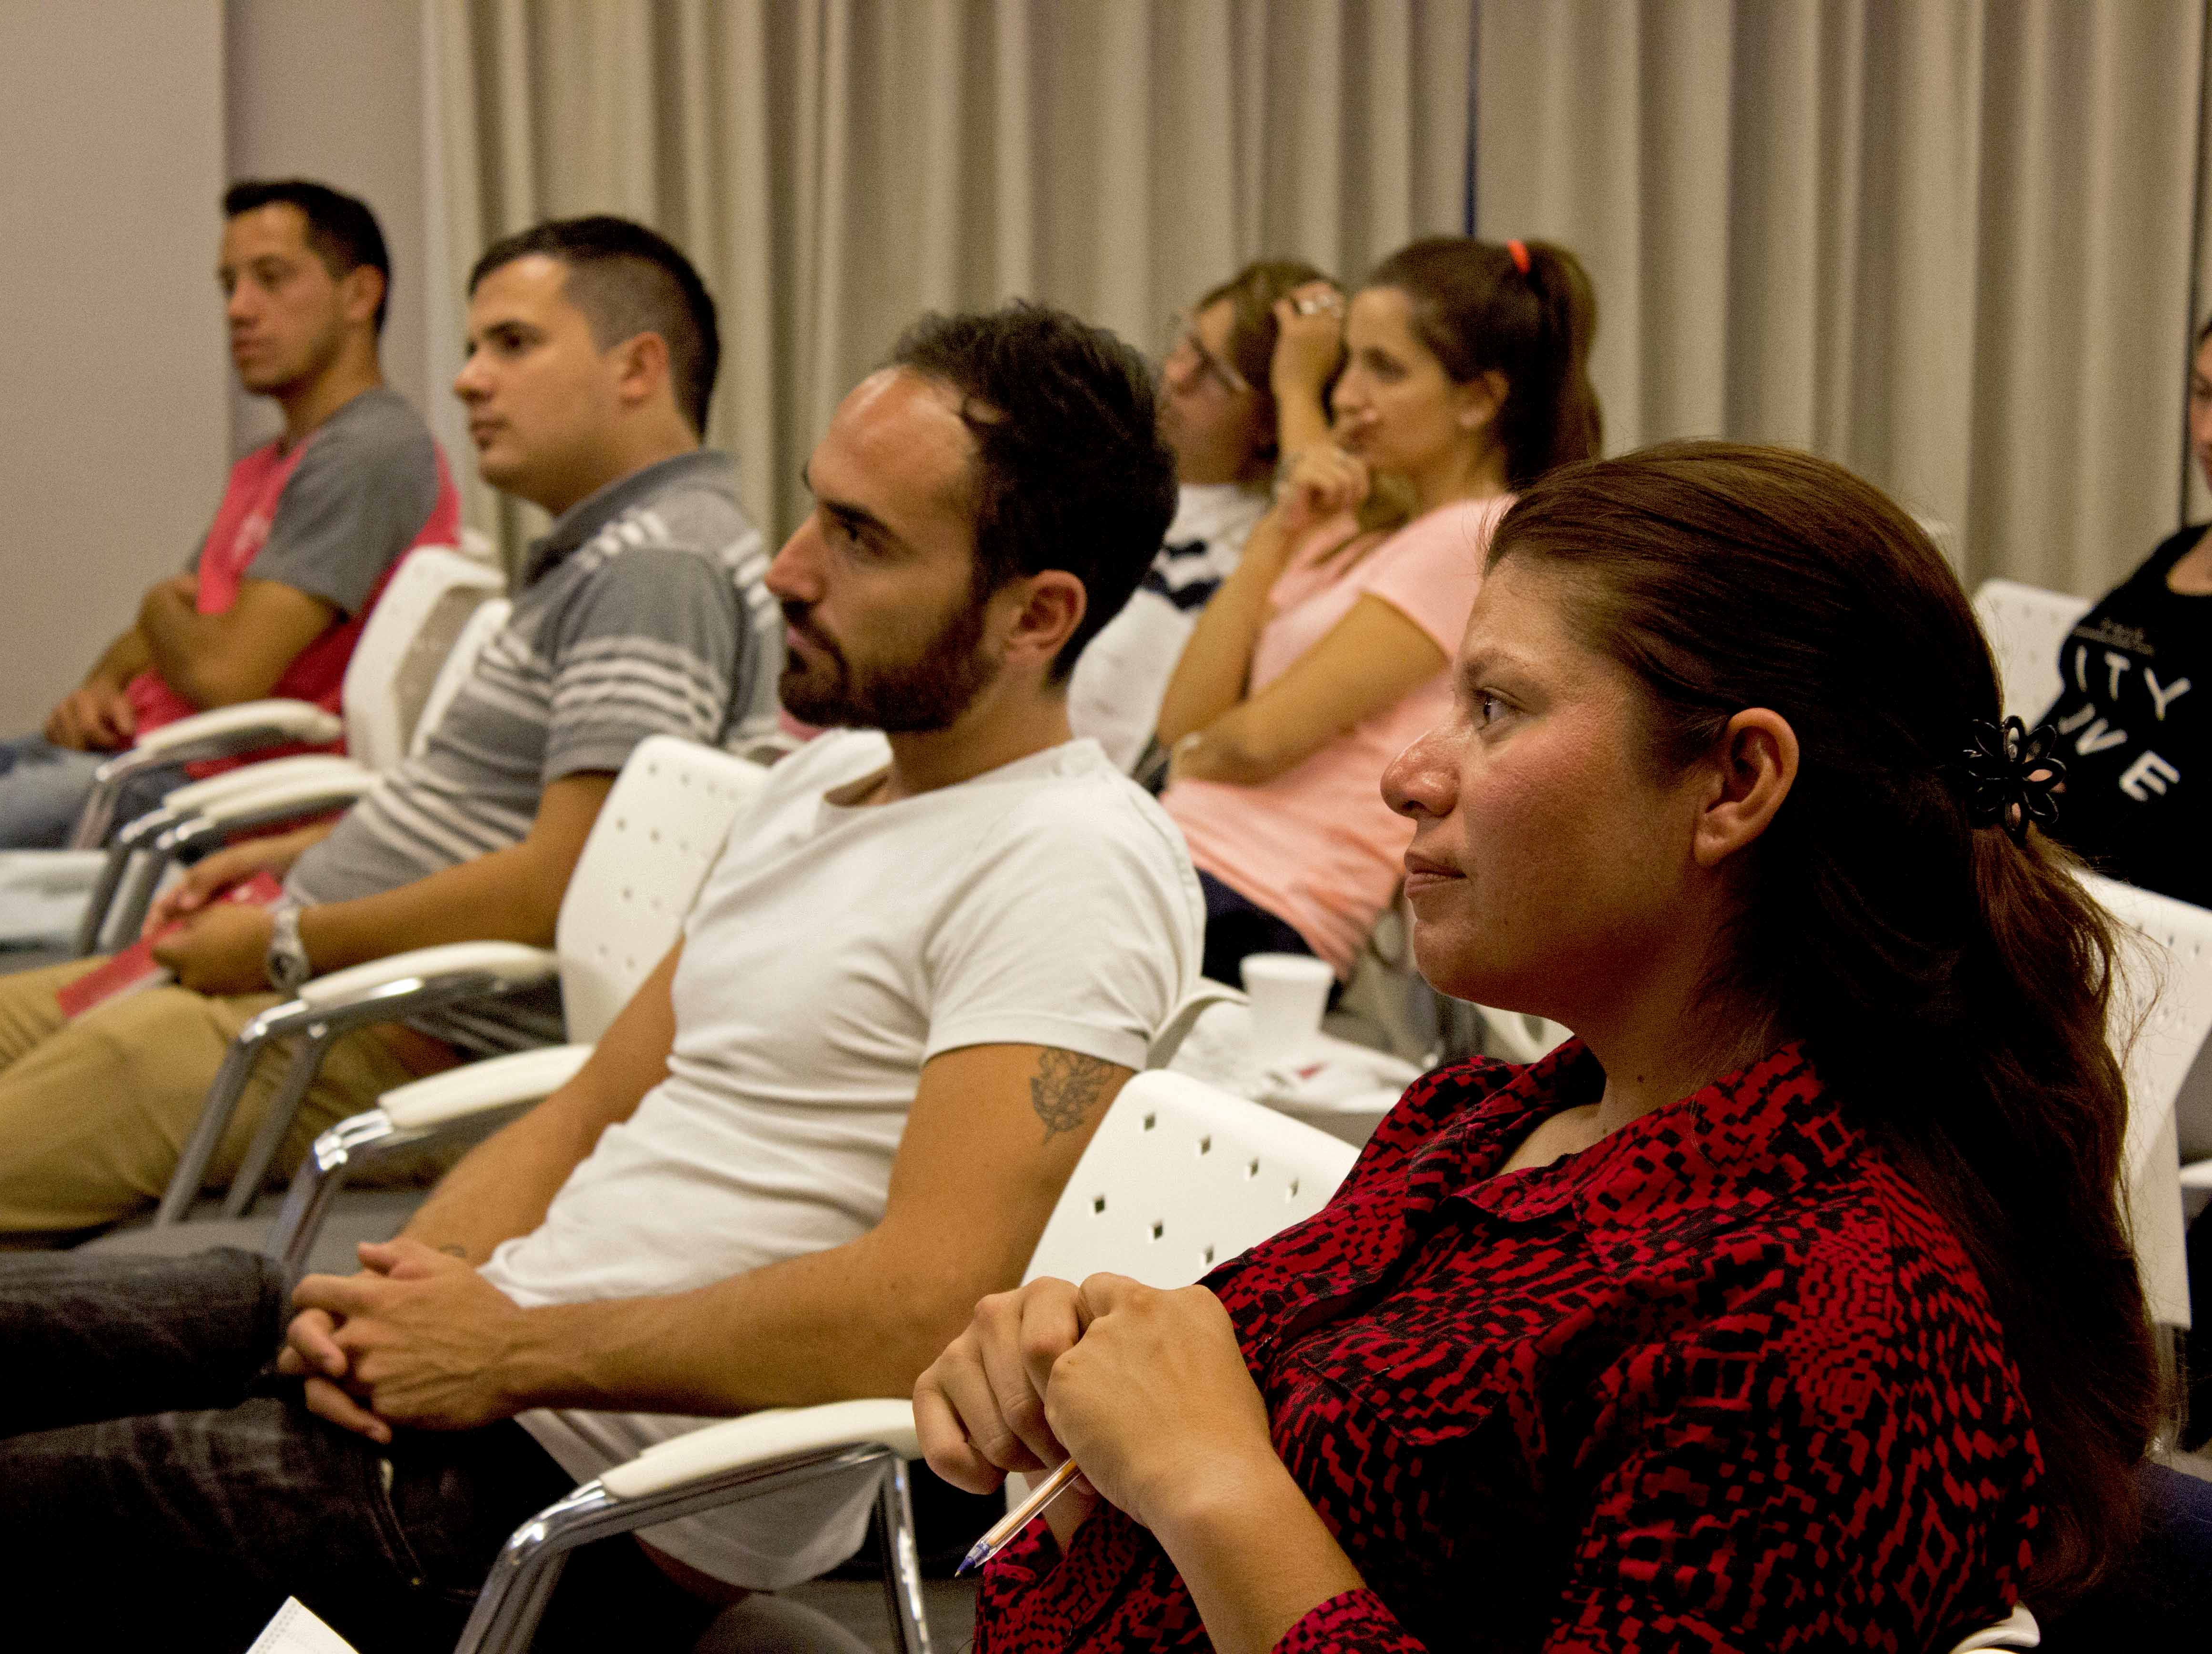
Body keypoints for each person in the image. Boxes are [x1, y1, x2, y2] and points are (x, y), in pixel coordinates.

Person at [0, 302, 1202, 1654]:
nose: (788, 569)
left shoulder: (1070, 860)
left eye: (863, 540)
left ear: (1036, 616)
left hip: (565, 1509)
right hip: (482, 1364)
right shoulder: (816, 792)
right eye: (813, 507)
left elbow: (919, 1305)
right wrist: (405, 1299)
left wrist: (503, 1351)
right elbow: (591, 1105)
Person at [917, 442, 2162, 1653]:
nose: (1409, 774)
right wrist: (1082, 1361)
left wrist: (1213, 1490)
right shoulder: (1477, 1122)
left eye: (1496, 709)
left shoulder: (1831, 1318)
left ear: (1734, 782)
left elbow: (1236, 1468)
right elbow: (1276, 1416)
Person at [0, 215, 782, 1257]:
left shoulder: (656, 571)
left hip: (364, 1034)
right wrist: (285, 860)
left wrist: (284, 941)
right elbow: (493, 817)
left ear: (639, 367)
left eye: (511, 344)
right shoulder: (607, 554)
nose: (466, 380)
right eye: (474, 347)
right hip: (310, 975)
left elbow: (564, 877)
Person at [0, 178, 460, 1151]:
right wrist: (99, 687)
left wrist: (163, 610)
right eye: (228, 284)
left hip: (179, 791)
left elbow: (226, 668)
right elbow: (173, 635)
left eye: (270, 278)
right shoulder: (280, 459)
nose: (238, 308)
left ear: (360, 291)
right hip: (126, 748)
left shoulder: (369, 456)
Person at [1154, 236, 1598, 986]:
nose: (1349, 395)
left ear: (1479, 399)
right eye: (1348, 362)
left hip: (1253, 899)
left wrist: (1192, 757)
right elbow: (1181, 720)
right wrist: (1277, 528)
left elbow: (1258, 741)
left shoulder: (1474, 535)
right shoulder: (1382, 527)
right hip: (1195, 864)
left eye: (1384, 369)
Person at [1068, 259, 1331, 774]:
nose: (1175, 373)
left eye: (1213, 372)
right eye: (1186, 340)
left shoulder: (1264, 541)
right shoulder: (1099, 467)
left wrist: (1299, 387)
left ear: (1268, 423)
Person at [2039, 317, 2212, 908]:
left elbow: (2187, 839)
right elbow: (2075, 708)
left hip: (2127, 913)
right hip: (2039, 863)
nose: (2208, 433)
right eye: (2203, 394)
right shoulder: (2176, 552)